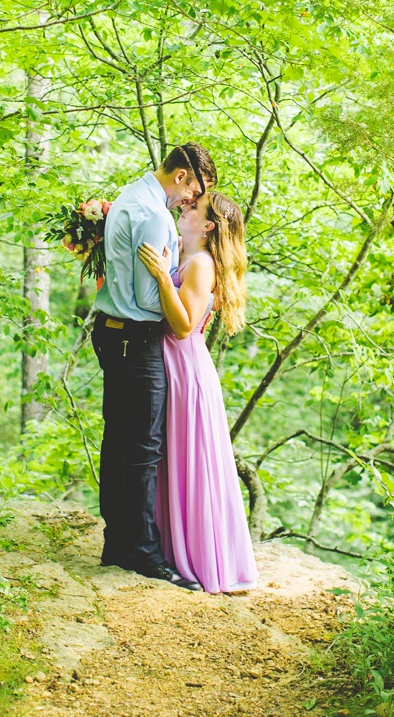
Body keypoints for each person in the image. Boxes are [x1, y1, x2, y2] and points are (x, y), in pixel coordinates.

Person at [91, 142, 216, 590]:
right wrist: (187, 306)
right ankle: (142, 553)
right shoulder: (154, 215)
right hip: (135, 338)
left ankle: (118, 542)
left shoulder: (130, 195)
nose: (191, 202)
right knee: (142, 448)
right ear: (183, 176)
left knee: (119, 441)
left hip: (111, 331)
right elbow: (147, 299)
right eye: (196, 190)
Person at [139, 190, 258, 594]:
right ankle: (174, 550)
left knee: (188, 459)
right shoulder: (184, 257)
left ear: (207, 226)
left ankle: (200, 560)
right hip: (174, 363)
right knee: (175, 459)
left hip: (185, 366)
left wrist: (160, 278)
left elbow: (184, 325)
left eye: (194, 208)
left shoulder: (202, 264)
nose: (185, 207)